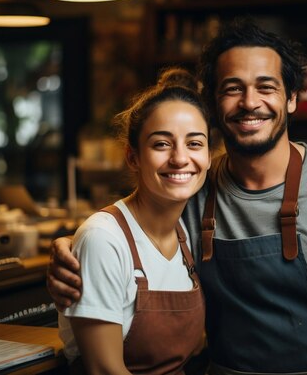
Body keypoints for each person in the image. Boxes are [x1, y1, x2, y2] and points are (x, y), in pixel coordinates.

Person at [48, 19, 307, 375]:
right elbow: (133, 226)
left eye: (266, 87)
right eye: (233, 88)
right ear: (213, 103)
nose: (249, 102)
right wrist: (75, 245)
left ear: (292, 99)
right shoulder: (192, 188)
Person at [57, 68, 210, 375]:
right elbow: (104, 370)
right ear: (132, 157)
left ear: (208, 156)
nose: (180, 158)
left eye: (194, 143)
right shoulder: (104, 240)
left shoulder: (187, 234)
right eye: (161, 144)